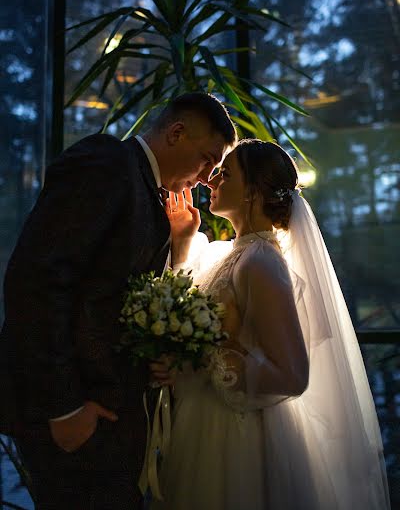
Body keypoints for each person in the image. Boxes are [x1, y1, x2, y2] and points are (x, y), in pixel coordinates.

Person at [0, 92, 236, 510]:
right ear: (176, 133)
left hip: (111, 416)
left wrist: (154, 354)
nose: (205, 179)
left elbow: (117, 300)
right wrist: (64, 407)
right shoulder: (107, 162)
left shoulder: (148, 192)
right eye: (206, 160)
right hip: (78, 413)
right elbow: (37, 281)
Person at [151, 139, 391, 510]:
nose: (211, 182)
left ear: (252, 191)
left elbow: (291, 375)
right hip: (205, 421)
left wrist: (199, 359)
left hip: (234, 439)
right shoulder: (231, 254)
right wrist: (182, 241)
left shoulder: (261, 263)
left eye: (225, 174)